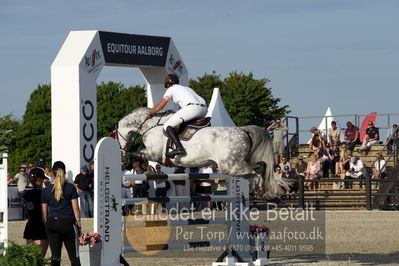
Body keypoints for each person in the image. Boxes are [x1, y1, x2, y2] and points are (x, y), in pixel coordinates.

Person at [147, 74, 208, 158]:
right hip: (204, 109)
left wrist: (150, 112)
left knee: (167, 125)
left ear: (168, 84)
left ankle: (179, 148)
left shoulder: (171, 89)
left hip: (192, 108)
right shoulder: (187, 88)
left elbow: (159, 107)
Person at [41, 161, 81, 266]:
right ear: (64, 172)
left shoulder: (46, 190)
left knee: (55, 258)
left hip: (52, 223)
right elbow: (76, 209)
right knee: (74, 257)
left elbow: (44, 213)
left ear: (52, 173)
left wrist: (47, 226)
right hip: (68, 223)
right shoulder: (70, 188)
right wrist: (79, 226)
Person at [23, 168, 48, 256]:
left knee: (30, 258)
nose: (42, 182)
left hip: (30, 224)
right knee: (40, 257)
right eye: (42, 179)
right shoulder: (38, 193)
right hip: (39, 225)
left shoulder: (26, 190)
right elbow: (43, 211)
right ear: (38, 179)